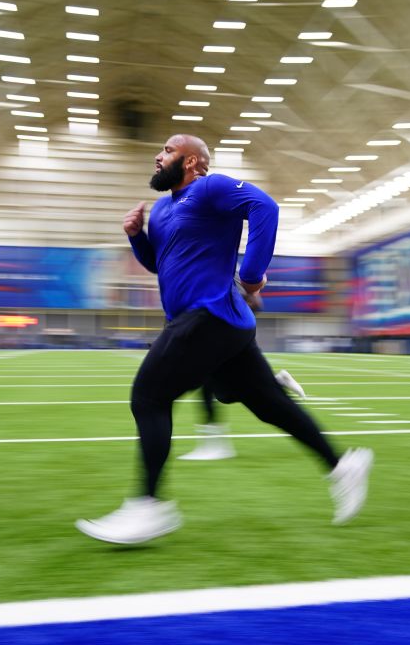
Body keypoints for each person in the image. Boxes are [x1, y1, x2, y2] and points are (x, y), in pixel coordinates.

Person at [76, 134, 373, 544]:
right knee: (267, 404)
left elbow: (265, 206)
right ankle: (342, 466)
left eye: (166, 149)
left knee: (148, 397)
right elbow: (159, 263)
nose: (157, 155)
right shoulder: (162, 210)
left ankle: (148, 507)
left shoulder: (210, 188)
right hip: (203, 321)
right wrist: (136, 236)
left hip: (211, 315)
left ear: (193, 161)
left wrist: (251, 275)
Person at [179, 285, 309, 461]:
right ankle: (276, 382)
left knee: (212, 388)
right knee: (224, 393)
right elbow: (256, 296)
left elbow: (255, 296)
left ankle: (215, 446)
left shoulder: (222, 266)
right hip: (231, 327)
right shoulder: (226, 267)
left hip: (226, 329)